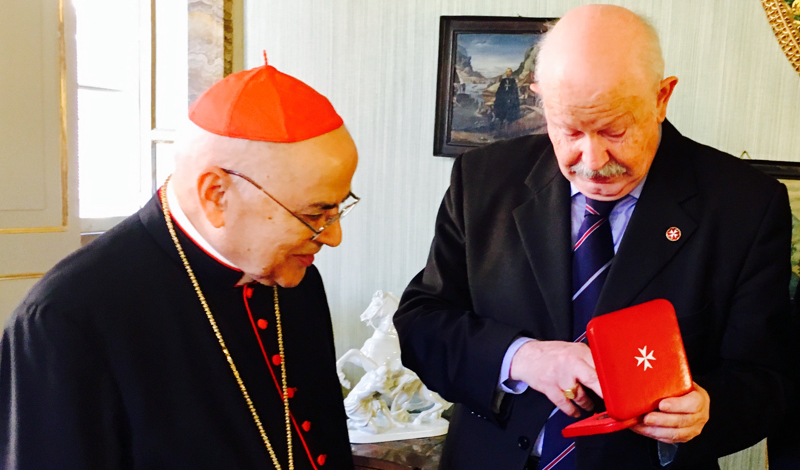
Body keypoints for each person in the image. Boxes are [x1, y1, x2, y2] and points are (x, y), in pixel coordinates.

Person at [394, 5, 794, 470]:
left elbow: (769, 378)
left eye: (615, 130)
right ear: (541, 98)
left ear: (662, 98)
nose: (592, 159)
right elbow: (423, 325)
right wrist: (523, 359)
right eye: (569, 130)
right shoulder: (483, 179)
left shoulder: (745, 204)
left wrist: (707, 408)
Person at [0, 61, 359, 470]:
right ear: (216, 194)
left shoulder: (295, 277)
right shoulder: (68, 317)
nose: (332, 235)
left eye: (338, 208)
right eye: (315, 214)